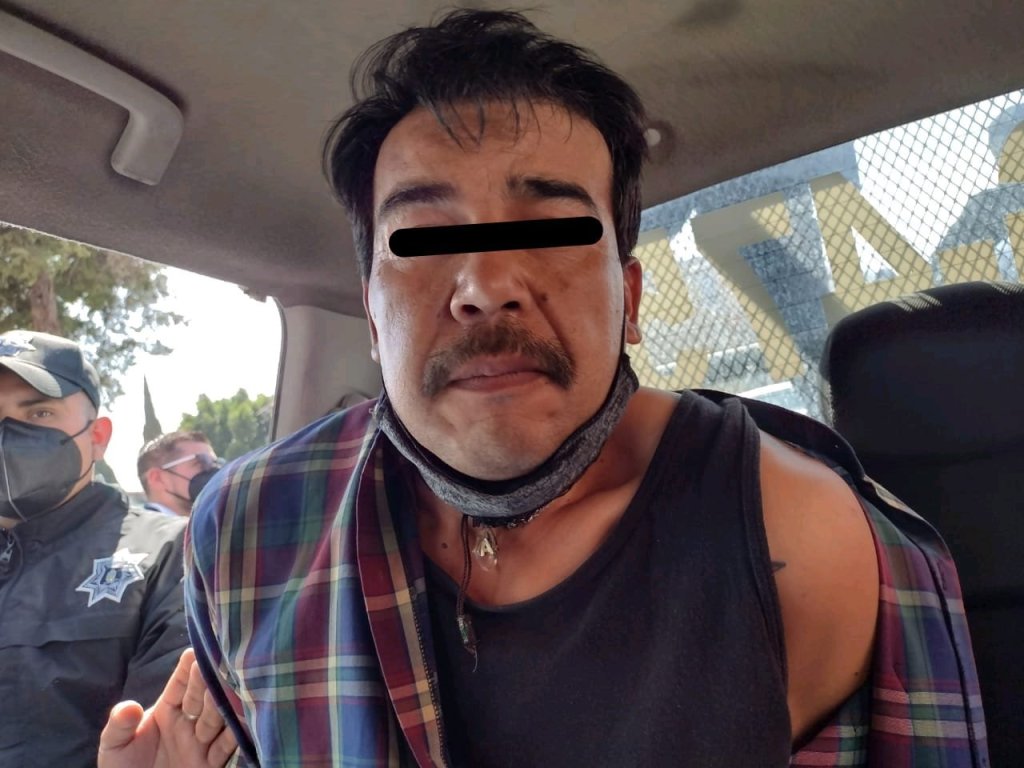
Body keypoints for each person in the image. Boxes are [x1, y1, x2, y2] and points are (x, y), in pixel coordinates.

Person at [173, 10, 984, 767]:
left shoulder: (796, 533)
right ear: (374, 318)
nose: (486, 287)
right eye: (422, 238)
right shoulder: (247, 534)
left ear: (629, 299)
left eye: (550, 229)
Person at [0, 329, 230, 767]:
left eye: (39, 412)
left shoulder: (172, 552)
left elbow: (164, 743)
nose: (8, 434)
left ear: (98, 437)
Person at [137, 430, 222, 517]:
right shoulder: (144, 525)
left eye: (217, 463)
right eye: (203, 462)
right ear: (157, 478)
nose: (216, 470)